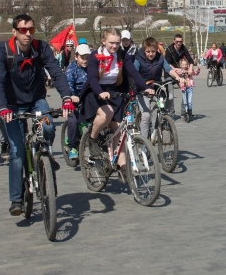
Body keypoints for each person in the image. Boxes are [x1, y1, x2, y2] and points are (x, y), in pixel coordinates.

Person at [0, 14, 75, 216]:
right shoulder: (3, 50)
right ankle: (16, 200)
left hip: (36, 100)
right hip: (11, 105)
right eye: (23, 30)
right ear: (14, 31)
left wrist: (66, 98)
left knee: (46, 125)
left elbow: (56, 72)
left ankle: (45, 153)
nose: (28, 34)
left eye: (31, 30)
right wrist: (2, 107)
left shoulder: (41, 47)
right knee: (17, 152)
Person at [80, 28, 154, 181]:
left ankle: (122, 167)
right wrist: (100, 92)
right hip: (95, 91)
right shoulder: (95, 56)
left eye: (117, 43)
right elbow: (93, 78)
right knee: (106, 114)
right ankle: (93, 139)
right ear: (103, 41)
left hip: (115, 91)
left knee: (119, 130)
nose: (114, 46)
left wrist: (145, 87)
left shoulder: (122, 54)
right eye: (111, 43)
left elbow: (133, 72)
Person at [133, 37, 185, 135]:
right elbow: (134, 73)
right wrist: (143, 86)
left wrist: (178, 78)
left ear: (157, 49)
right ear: (144, 51)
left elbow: (168, 69)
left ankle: (162, 118)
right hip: (142, 90)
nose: (151, 54)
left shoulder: (160, 57)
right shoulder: (139, 59)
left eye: (153, 51)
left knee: (169, 97)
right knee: (147, 116)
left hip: (156, 87)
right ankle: (144, 145)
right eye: (148, 51)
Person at [64, 43, 90, 160]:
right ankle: (72, 146)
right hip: (72, 99)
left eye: (87, 58)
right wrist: (72, 95)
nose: (85, 61)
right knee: (73, 121)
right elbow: (68, 84)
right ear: (76, 57)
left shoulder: (92, 68)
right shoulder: (71, 69)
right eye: (82, 58)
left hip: (87, 98)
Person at [164, 33, 195, 116]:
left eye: (180, 41)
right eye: (177, 41)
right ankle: (172, 112)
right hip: (169, 73)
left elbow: (190, 60)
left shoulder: (183, 48)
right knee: (170, 95)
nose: (179, 43)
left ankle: (184, 111)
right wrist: (174, 69)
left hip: (181, 74)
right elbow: (167, 63)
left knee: (185, 89)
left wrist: (191, 68)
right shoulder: (169, 49)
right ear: (174, 41)